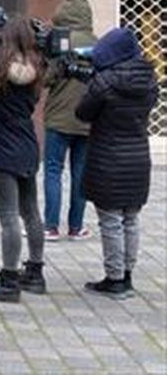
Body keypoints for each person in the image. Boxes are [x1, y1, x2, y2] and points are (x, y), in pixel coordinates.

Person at [77, 27, 160, 299]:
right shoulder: (149, 80)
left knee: (110, 220)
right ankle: (127, 275)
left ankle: (114, 280)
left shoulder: (105, 81)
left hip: (107, 157)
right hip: (138, 157)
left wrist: (90, 83)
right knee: (131, 218)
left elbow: (83, 113)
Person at [0, 17, 46, 303]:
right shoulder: (38, 69)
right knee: (31, 212)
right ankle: (35, 272)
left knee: (8, 217)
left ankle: (8, 279)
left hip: (2, 149)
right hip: (28, 146)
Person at [42, 0, 97, 241]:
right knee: (80, 172)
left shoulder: (59, 43)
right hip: (88, 119)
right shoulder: (99, 44)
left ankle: (51, 226)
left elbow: (46, 79)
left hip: (58, 119)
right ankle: (76, 227)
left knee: (53, 170)